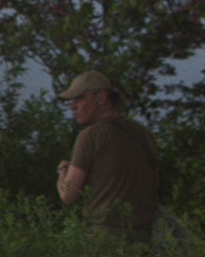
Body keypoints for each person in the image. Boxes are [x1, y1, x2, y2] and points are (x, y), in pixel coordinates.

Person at [55, 69, 159, 240]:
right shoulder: (142, 133)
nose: (72, 106)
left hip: (104, 238)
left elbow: (68, 195)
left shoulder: (90, 135)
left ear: (101, 98)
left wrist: (63, 170)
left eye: (80, 97)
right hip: (144, 238)